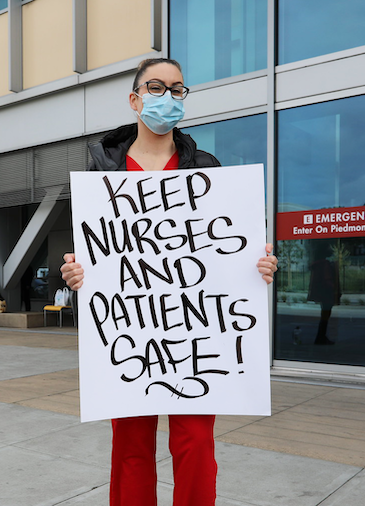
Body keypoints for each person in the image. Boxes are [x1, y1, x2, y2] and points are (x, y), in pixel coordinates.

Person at [59, 58, 278, 506]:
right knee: (131, 446)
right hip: (130, 336)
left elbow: (229, 251)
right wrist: (75, 273)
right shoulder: (102, 175)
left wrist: (259, 268)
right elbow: (91, 256)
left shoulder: (208, 169)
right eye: (157, 87)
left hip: (197, 338)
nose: (168, 97)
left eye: (178, 90)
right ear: (135, 98)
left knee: (196, 443)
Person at [307, 240, 341, 345]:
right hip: (327, 294)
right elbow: (327, 280)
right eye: (329, 248)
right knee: (325, 316)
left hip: (322, 293)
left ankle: (320, 337)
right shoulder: (325, 264)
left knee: (324, 316)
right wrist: (334, 289)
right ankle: (321, 338)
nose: (331, 250)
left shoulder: (317, 264)